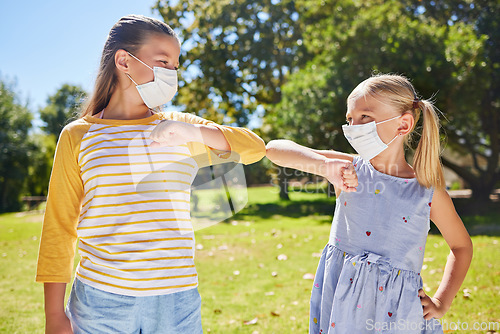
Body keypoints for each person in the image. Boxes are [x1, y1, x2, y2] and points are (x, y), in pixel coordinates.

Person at [36, 14, 265, 334]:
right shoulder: (78, 136)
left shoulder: (180, 129)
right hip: (100, 302)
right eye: (163, 61)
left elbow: (255, 149)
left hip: (176, 301)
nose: (172, 73)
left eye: (175, 66)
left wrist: (194, 133)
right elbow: (59, 229)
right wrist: (53, 316)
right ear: (124, 61)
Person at [266, 74, 472, 333]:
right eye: (350, 119)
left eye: (365, 117)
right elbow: (274, 149)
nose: (353, 126)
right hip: (341, 301)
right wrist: (325, 167)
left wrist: (441, 301)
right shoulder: (345, 169)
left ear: (403, 124)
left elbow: (461, 245)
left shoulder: (427, 192)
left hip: (396, 311)